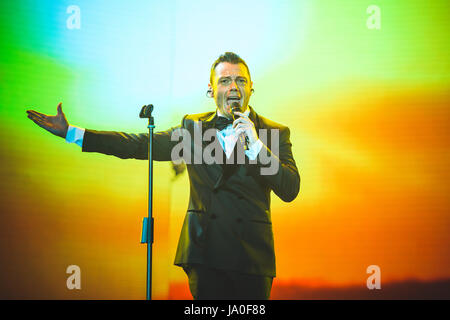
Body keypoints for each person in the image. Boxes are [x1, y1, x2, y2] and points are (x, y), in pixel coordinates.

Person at [26, 52, 300, 300]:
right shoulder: (192, 128)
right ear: (211, 89)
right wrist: (72, 133)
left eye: (240, 80)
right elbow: (136, 144)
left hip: (251, 258)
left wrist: (257, 146)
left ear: (251, 88)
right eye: (225, 80)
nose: (233, 87)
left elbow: (290, 189)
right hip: (206, 254)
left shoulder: (274, 133)